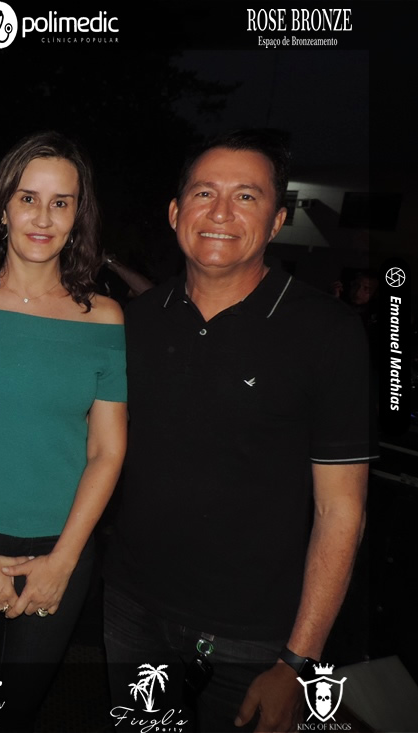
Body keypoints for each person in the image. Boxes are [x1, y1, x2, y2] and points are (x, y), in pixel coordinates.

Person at [103, 130, 373, 732]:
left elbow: (342, 512)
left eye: (246, 196)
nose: (221, 212)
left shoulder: (327, 332)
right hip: (132, 609)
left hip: (256, 639)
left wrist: (298, 663)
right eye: (204, 193)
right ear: (175, 212)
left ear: (277, 220)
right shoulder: (135, 322)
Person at [0, 131, 127, 730]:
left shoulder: (104, 317)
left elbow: (107, 450)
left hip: (62, 548)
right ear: (4, 207)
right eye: (28, 198)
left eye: (61, 202)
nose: (43, 217)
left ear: (78, 216)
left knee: (19, 713)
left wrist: (63, 561)